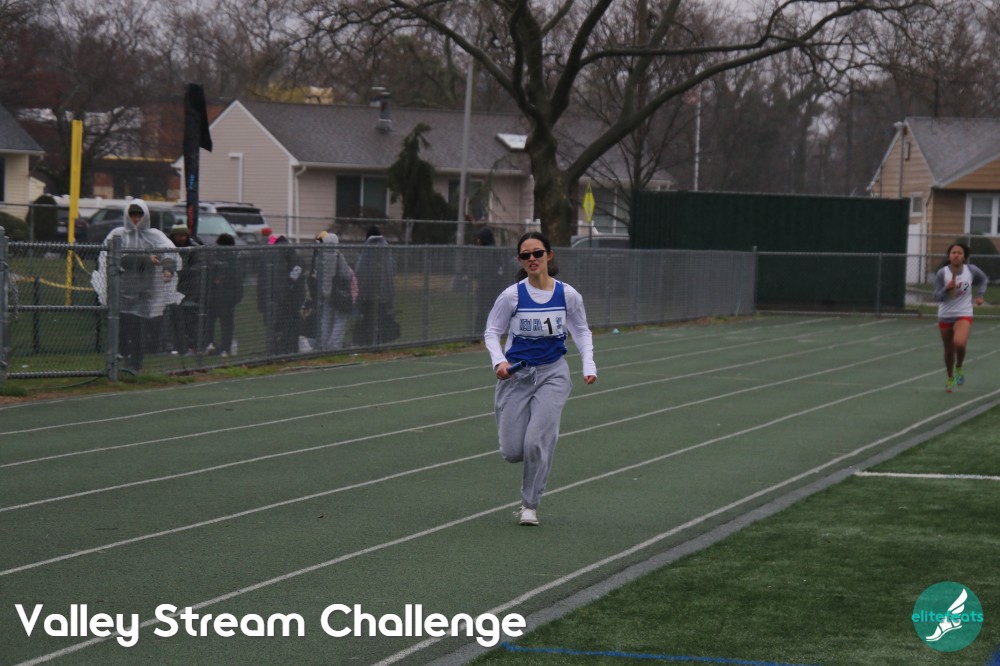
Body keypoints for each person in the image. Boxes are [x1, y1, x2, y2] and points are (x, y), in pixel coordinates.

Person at [483, 231, 597, 526]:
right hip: (516, 376)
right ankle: (531, 456)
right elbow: (492, 332)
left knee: (536, 442)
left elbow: (581, 330)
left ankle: (529, 505)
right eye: (526, 255)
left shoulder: (567, 295)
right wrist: (499, 361)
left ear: (549, 255)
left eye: (537, 253)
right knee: (512, 451)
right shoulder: (511, 296)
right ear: (520, 260)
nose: (532, 259)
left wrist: (588, 364)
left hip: (553, 374)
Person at [91, 199, 178, 372]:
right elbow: (113, 258)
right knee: (123, 326)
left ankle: (135, 363)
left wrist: (168, 268)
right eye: (133, 216)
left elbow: (169, 251)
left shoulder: (155, 236)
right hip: (122, 290)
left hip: (145, 291)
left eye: (139, 216)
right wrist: (145, 258)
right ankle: (122, 355)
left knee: (138, 328)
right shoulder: (117, 234)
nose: (136, 219)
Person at [934, 242, 987, 392]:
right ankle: (950, 377)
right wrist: (946, 289)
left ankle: (959, 367)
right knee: (948, 350)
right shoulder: (942, 273)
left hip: (964, 313)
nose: (956, 255)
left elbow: (983, 279)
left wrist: (980, 295)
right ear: (949, 256)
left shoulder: (971, 270)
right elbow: (937, 297)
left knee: (960, 343)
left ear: (964, 257)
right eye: (953, 253)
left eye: (959, 253)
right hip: (945, 315)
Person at [353, 226, 397, 346]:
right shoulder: (385, 250)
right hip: (381, 293)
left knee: (371, 318)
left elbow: (359, 271)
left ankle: (372, 341)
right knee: (377, 317)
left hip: (369, 293)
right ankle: (375, 341)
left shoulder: (367, 251)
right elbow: (393, 269)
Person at [313, 230, 355, 351]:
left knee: (326, 317)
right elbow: (346, 274)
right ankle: (334, 345)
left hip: (325, 290)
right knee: (340, 318)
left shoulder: (320, 256)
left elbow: (317, 273)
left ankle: (324, 343)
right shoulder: (338, 256)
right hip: (338, 291)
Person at [204, 233, 244, 357]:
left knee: (224, 323)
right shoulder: (217, 257)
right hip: (217, 296)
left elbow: (236, 279)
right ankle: (211, 345)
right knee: (212, 322)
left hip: (225, 297)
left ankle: (224, 347)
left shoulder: (231, 259)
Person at [166, 222, 200, 355]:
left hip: (189, 289)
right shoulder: (167, 247)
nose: (181, 238)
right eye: (178, 235)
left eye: (183, 235)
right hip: (170, 288)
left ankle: (191, 345)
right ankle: (174, 345)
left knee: (189, 318)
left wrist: (182, 271)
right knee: (172, 318)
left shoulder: (193, 248)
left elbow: (197, 266)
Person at [473, 226, 511, 338]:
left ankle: (479, 335)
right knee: (488, 311)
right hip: (488, 286)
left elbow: (491, 269)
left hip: (490, 287)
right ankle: (482, 334)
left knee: (488, 310)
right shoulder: (485, 251)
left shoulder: (490, 252)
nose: (478, 241)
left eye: (480, 238)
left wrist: (483, 281)